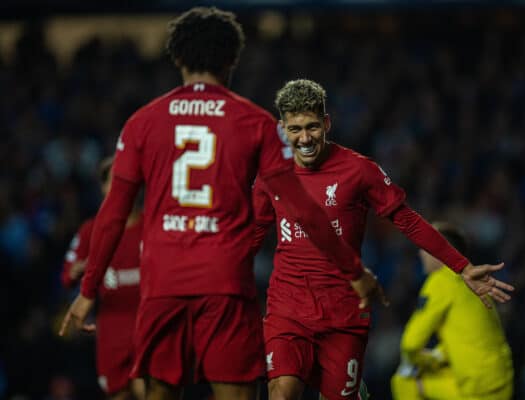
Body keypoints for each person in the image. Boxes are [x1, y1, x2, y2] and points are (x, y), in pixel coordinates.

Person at [59, 7, 388, 400]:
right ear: (232, 58)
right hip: (224, 284)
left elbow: (113, 214)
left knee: (159, 393)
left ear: (178, 57)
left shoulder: (142, 122)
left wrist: (88, 290)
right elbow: (300, 205)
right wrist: (354, 270)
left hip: (164, 283)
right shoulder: (254, 122)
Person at [251, 79, 514, 400]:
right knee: (282, 392)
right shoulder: (272, 176)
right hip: (287, 308)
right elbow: (250, 235)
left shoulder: (358, 171)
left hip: (343, 314)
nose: (304, 138)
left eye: (312, 127)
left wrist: (461, 266)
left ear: (327, 123)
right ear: (282, 128)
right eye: (295, 129)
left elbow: (407, 221)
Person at [390, 222, 514, 400]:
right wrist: (437, 357)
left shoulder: (441, 280)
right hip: (502, 383)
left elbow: (410, 344)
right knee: (436, 371)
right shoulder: (473, 280)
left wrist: (421, 360)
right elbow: (470, 336)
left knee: (404, 379)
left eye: (425, 247)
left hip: (477, 392)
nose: (420, 253)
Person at [61, 157, 144, 400]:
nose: (122, 187)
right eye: (114, 181)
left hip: (148, 327)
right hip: (111, 332)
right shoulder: (90, 230)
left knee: (148, 389)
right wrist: (77, 270)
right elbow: (67, 276)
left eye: (128, 181)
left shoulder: (152, 225)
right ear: (103, 187)